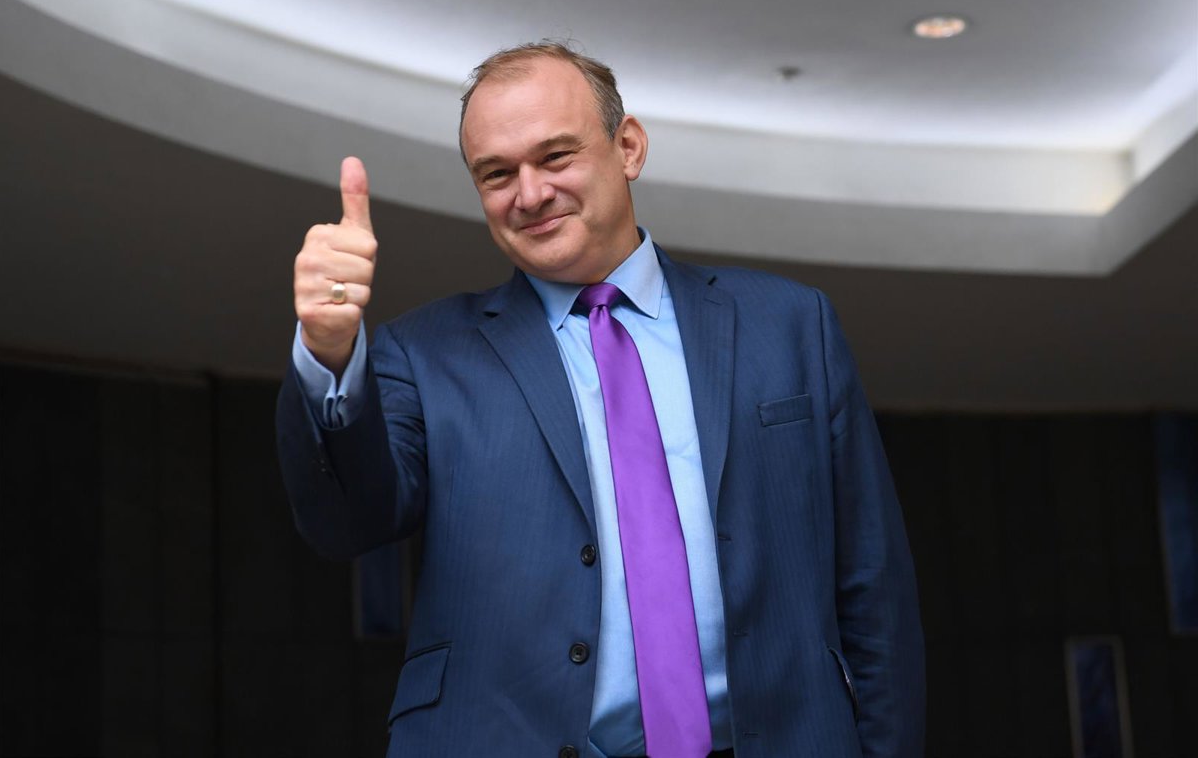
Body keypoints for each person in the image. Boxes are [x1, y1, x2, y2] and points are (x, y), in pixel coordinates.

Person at [277, 42, 924, 758]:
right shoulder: (422, 353)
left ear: (629, 147)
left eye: (555, 157)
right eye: (497, 174)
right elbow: (346, 524)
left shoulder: (791, 325)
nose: (529, 194)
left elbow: (872, 584)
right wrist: (328, 352)